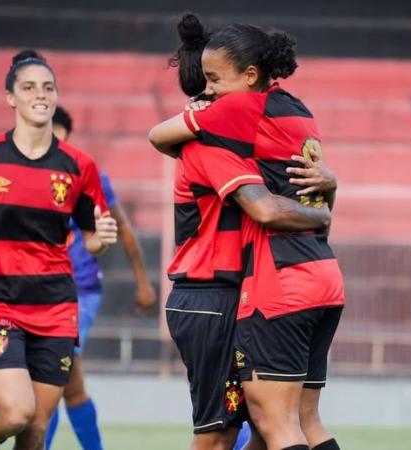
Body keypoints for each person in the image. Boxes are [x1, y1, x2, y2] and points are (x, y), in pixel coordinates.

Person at [147, 15, 343, 450]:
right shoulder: (293, 111)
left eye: (217, 79)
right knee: (237, 434)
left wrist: (324, 203)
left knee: (266, 427)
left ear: (250, 75)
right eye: (207, 82)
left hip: (262, 285)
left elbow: (158, 136)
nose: (212, 91)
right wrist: (328, 204)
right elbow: (280, 205)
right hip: (212, 294)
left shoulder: (236, 117)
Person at [0, 50, 117, 450]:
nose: (40, 95)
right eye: (29, 87)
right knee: (16, 413)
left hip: (56, 308)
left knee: (36, 428)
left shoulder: (79, 166)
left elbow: (92, 239)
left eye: (48, 87)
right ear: (11, 98)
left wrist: (101, 240)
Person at [43, 106, 156, 450]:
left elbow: (121, 226)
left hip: (80, 290)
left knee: (51, 372)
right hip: (37, 290)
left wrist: (142, 281)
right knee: (68, 382)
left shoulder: (87, 175)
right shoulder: (24, 176)